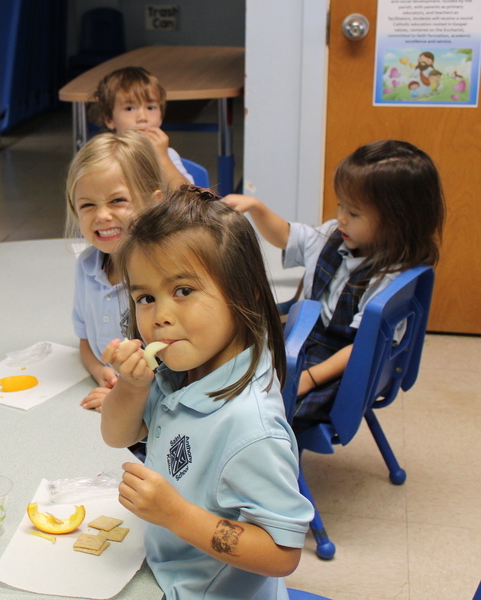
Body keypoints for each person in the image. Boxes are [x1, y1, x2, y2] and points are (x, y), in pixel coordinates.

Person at [100, 187, 312, 599]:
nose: (160, 316)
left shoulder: (250, 427)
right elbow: (117, 435)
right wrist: (132, 384)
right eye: (146, 297)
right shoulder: (182, 370)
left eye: (183, 291)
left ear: (243, 292)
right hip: (165, 570)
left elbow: (283, 553)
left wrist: (177, 515)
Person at [223, 140, 444, 429]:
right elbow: (287, 237)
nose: (340, 217)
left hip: (343, 367)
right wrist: (256, 207)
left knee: (256, 401)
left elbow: (364, 347)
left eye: (354, 213)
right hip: (307, 341)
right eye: (341, 205)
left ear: (397, 222)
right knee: (228, 364)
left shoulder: (389, 279)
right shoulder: (333, 234)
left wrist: (309, 378)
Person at [66, 131, 165, 412]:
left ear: (153, 203)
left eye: (118, 201)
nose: (102, 216)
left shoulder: (163, 275)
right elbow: (85, 340)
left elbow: (180, 371)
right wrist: (100, 371)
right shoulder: (86, 266)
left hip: (156, 415)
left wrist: (124, 397)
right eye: (87, 205)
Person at [88, 66, 194, 189]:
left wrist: (163, 158)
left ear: (161, 117)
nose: (142, 117)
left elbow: (188, 197)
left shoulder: (168, 155)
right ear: (109, 119)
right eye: (130, 108)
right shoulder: (102, 157)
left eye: (150, 108)